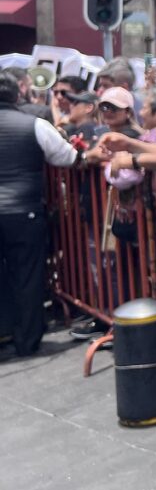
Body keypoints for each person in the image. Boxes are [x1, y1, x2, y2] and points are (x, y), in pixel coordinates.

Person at [0, 70, 78, 357]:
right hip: (24, 212)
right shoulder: (34, 124)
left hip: (20, 209)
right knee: (28, 276)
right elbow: (67, 157)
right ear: (18, 94)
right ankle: (27, 340)